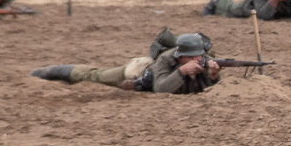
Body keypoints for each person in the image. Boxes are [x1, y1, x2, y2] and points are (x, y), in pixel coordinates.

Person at [28, 30, 222, 93]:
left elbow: (209, 86)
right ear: (180, 57)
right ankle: (47, 73)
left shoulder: (206, 60)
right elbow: (160, 88)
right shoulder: (166, 59)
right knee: (96, 76)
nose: (199, 59)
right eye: (193, 57)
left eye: (200, 55)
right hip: (141, 71)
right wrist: (182, 72)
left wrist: (214, 76)